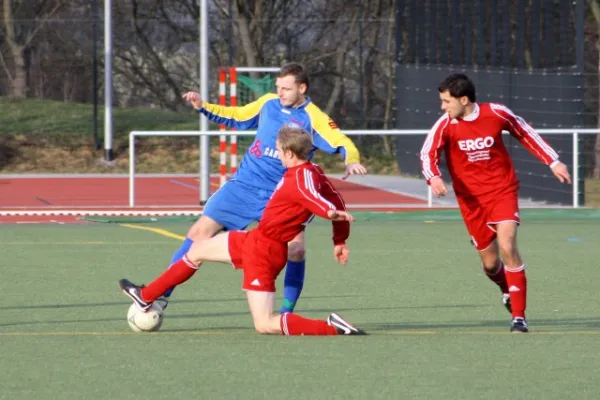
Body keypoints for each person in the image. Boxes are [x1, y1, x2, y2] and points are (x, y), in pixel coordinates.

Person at [161, 62, 367, 315]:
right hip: (244, 184)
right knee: (199, 231)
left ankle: (286, 313)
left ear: (302, 88)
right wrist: (203, 106)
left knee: (296, 250)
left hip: (282, 196)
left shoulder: (315, 118)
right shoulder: (268, 103)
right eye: (278, 87)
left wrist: (352, 159)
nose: (280, 93)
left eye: (286, 88)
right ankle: (160, 297)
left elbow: (342, 141)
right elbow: (236, 116)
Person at [120, 126, 366, 336]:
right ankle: (146, 295)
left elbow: (316, 200)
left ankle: (332, 327)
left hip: (264, 252)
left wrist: (330, 214)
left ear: (290, 153)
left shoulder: (299, 179)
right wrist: (339, 239)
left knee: (265, 324)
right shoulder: (314, 172)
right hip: (255, 240)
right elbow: (337, 201)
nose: (277, 155)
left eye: (279, 151)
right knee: (197, 250)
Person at [419, 73, 571, 333]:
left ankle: (519, 318)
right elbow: (427, 153)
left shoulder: (496, 113)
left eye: (446, 101)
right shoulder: (445, 125)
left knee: (507, 245)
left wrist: (552, 160)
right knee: (490, 264)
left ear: (463, 99)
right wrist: (433, 177)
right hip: (471, 202)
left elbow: (525, 132)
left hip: (502, 191)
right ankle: (505, 288)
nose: (443, 107)